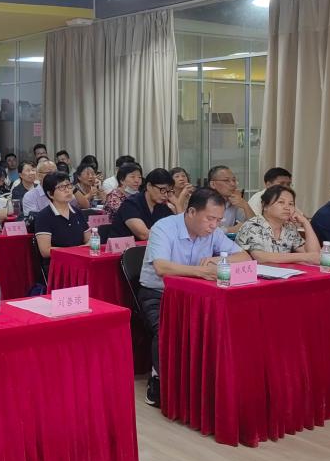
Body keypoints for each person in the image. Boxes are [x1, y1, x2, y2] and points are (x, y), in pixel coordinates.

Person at [139, 189, 250, 406]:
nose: (214, 225)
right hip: (159, 293)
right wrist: (201, 272)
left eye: (218, 220)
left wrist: (217, 261)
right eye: (210, 219)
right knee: (167, 328)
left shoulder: (214, 232)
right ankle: (159, 378)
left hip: (197, 294)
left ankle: (208, 381)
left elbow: (243, 256)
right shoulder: (164, 228)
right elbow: (162, 267)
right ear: (191, 212)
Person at [236, 185, 320, 263]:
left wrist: (305, 223)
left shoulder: (289, 228)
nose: (287, 207)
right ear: (265, 206)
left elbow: (315, 255)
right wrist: (304, 257)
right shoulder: (252, 225)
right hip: (254, 273)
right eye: (281, 202)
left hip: (283, 272)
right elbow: (260, 257)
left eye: (291, 204)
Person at [33, 172, 90, 259]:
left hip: (80, 259)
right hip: (58, 262)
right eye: (61, 187)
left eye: (68, 185)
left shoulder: (77, 212)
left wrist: (80, 250)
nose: (67, 190)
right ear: (50, 194)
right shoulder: (43, 217)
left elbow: (89, 239)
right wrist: (74, 251)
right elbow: (45, 251)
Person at [109, 168, 177, 240]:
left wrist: (177, 203)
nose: (166, 195)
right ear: (149, 186)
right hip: (124, 246)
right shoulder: (130, 204)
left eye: (168, 191)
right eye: (162, 190)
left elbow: (178, 229)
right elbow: (144, 235)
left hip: (151, 245)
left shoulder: (162, 206)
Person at [207, 165, 255, 231]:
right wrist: (230, 230)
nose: (233, 184)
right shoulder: (204, 203)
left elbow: (255, 227)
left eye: (234, 180)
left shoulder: (233, 202)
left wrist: (245, 205)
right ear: (213, 184)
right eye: (226, 180)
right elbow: (204, 230)